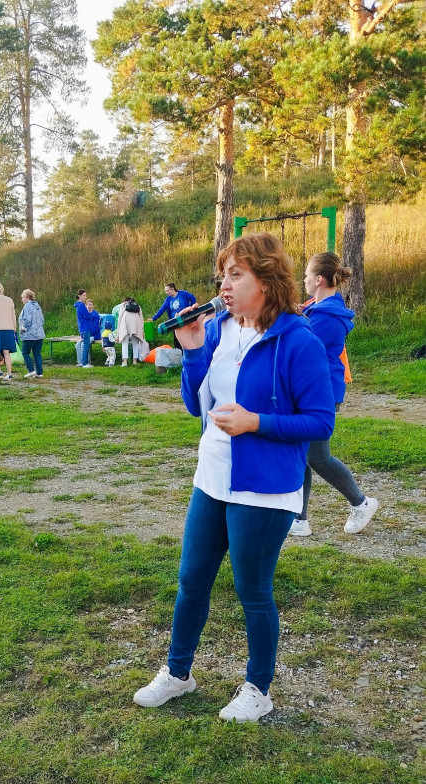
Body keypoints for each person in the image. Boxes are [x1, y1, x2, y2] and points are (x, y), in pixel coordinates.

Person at [133, 232, 335, 723]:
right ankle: (178, 673)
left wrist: (256, 422)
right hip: (212, 478)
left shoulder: (298, 340)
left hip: (264, 488)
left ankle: (258, 689)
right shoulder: (219, 330)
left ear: (266, 280)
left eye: (235, 274)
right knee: (191, 581)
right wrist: (193, 350)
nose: (223, 285)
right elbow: (196, 406)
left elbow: (320, 421)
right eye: (223, 275)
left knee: (253, 592)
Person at [289, 252, 379, 537]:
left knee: (318, 457)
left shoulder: (327, 317)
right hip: (307, 389)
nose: (303, 279)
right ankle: (299, 518)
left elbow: (301, 344)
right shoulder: (316, 308)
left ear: (318, 279)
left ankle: (361, 503)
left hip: (321, 393)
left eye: (306, 275)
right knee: (301, 453)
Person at [151, 283, 198, 349]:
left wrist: (189, 309)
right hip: (175, 321)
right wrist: (154, 318)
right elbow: (162, 309)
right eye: (166, 291)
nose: (166, 293)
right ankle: (178, 352)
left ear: (172, 289)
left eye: (167, 290)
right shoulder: (168, 299)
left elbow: (193, 299)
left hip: (185, 319)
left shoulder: (183, 294)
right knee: (177, 339)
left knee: (186, 337)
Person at [19, 289, 46, 378]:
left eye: (22, 297)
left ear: (27, 297)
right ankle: (39, 373)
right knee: (37, 353)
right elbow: (42, 319)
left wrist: (23, 328)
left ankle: (31, 370)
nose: (21, 300)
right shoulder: (37, 306)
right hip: (39, 334)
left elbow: (27, 320)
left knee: (24, 352)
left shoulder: (27, 307)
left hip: (30, 335)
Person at [117, 296, 146, 366]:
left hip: (125, 326)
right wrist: (142, 330)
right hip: (136, 326)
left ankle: (125, 362)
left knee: (125, 343)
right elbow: (141, 318)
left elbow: (119, 318)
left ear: (124, 301)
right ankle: (135, 361)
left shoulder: (124, 306)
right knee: (135, 343)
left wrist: (118, 331)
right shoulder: (138, 306)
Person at [74, 289, 94, 368]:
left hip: (82, 327)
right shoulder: (81, 305)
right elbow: (87, 315)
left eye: (86, 295)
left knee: (85, 345)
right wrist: (91, 315)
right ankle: (85, 363)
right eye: (83, 295)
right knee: (86, 346)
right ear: (79, 296)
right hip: (85, 327)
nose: (85, 297)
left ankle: (83, 362)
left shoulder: (79, 305)